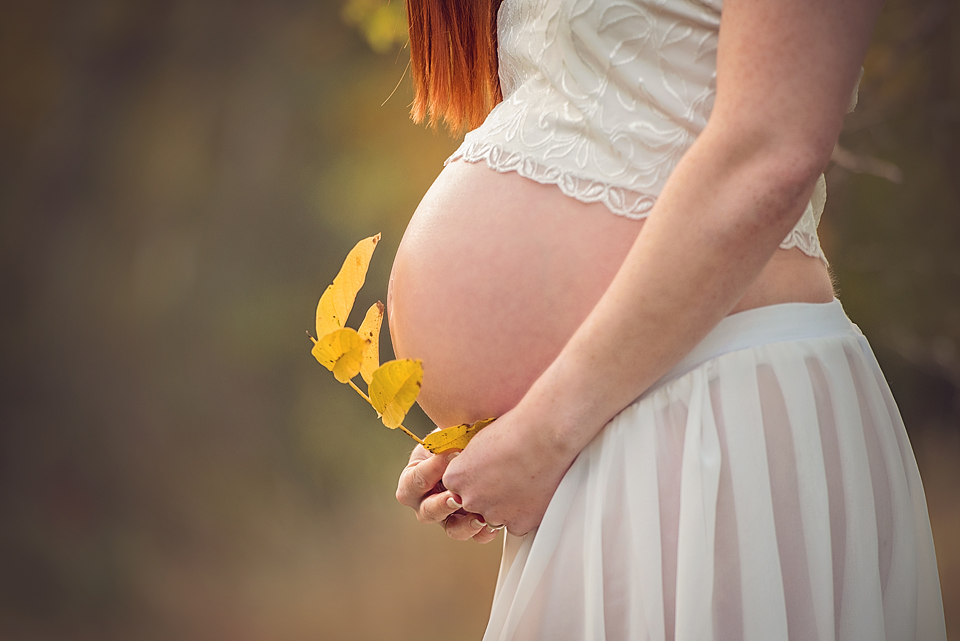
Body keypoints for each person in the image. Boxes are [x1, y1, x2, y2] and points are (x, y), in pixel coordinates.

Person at [388, 0, 947, 639]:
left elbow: (776, 145)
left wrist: (544, 435)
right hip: (591, 428)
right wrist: (487, 443)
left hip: (715, 409)